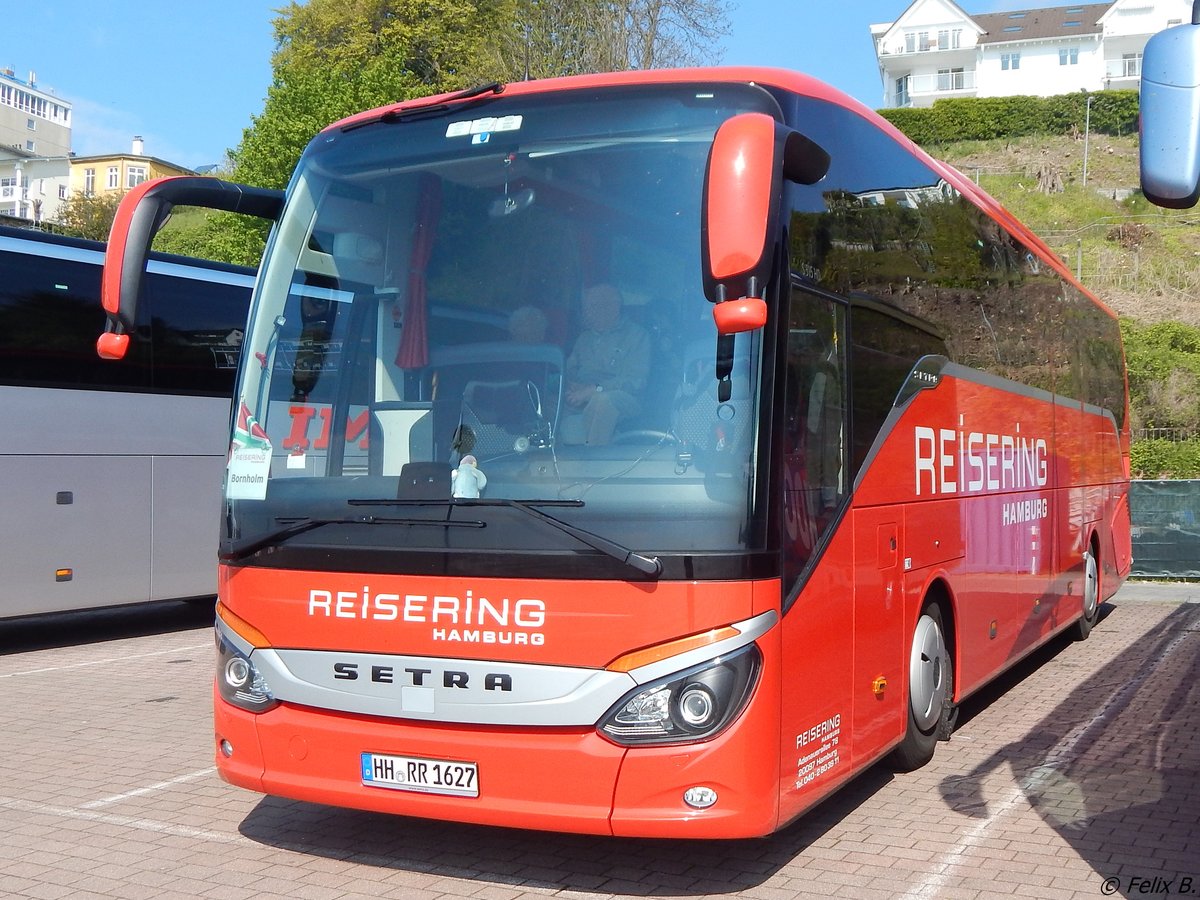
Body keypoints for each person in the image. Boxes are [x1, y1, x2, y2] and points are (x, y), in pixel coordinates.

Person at [563, 284, 651, 445]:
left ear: (614, 307)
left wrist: (595, 389)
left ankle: (592, 461)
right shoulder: (584, 338)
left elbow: (636, 381)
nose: (587, 313)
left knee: (603, 401)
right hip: (582, 396)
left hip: (622, 397)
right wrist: (571, 386)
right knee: (542, 402)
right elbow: (569, 370)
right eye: (587, 308)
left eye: (593, 307)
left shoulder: (637, 336)